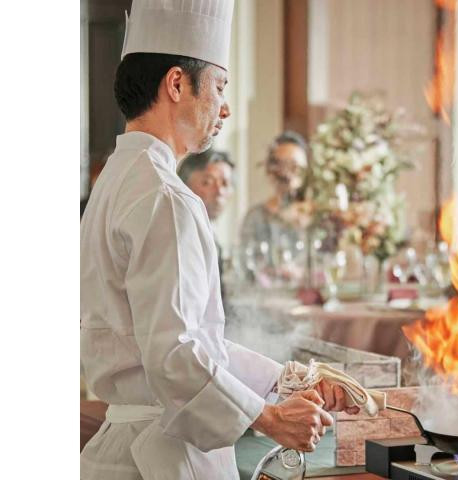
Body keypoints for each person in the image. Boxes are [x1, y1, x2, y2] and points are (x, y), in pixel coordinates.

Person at [80, 2, 357, 479]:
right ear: (176, 84)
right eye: (220, 86)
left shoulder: (116, 177)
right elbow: (175, 357)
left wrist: (288, 380)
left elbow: (188, 339)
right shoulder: (165, 197)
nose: (224, 107)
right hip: (160, 455)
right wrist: (270, 419)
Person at [240, 131, 308, 274]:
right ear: (269, 170)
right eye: (281, 165)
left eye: (294, 166)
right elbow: (246, 265)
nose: (287, 174)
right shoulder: (255, 217)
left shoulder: (318, 216)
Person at [178, 148, 234, 298]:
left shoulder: (211, 236)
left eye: (225, 183)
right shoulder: (180, 237)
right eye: (207, 182)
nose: (219, 191)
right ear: (183, 186)